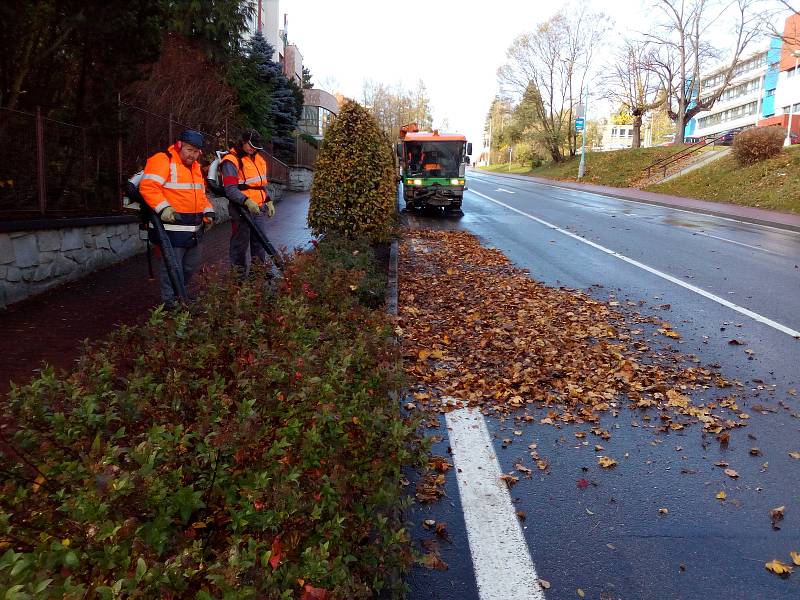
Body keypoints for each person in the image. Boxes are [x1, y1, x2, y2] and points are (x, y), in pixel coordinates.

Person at [139, 129, 215, 306]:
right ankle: (170, 300)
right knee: (172, 267)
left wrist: (208, 211)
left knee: (190, 265)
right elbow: (148, 187)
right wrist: (164, 208)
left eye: (196, 152)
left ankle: (180, 294)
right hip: (170, 229)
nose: (193, 155)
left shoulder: (195, 168)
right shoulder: (162, 159)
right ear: (179, 145)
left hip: (194, 228)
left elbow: (201, 195)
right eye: (189, 150)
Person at [220, 129, 274, 277]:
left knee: (260, 241)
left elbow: (260, 185)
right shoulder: (231, 161)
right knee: (240, 245)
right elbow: (230, 189)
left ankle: (257, 274)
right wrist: (247, 201)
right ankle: (238, 278)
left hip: (258, 208)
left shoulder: (259, 159)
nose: (253, 148)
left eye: (255, 146)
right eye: (250, 145)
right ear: (243, 142)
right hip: (241, 210)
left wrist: (268, 200)